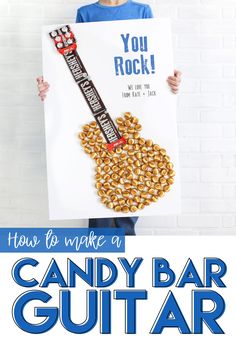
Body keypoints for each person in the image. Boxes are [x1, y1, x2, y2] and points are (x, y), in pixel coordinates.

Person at [37, 0, 182, 236]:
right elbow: (74, 65)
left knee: (129, 207)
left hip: (132, 107)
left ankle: (128, 261)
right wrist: (49, 88)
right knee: (98, 213)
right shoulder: (85, 13)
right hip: (98, 106)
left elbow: (151, 58)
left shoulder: (142, 11)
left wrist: (169, 83)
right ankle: (97, 260)